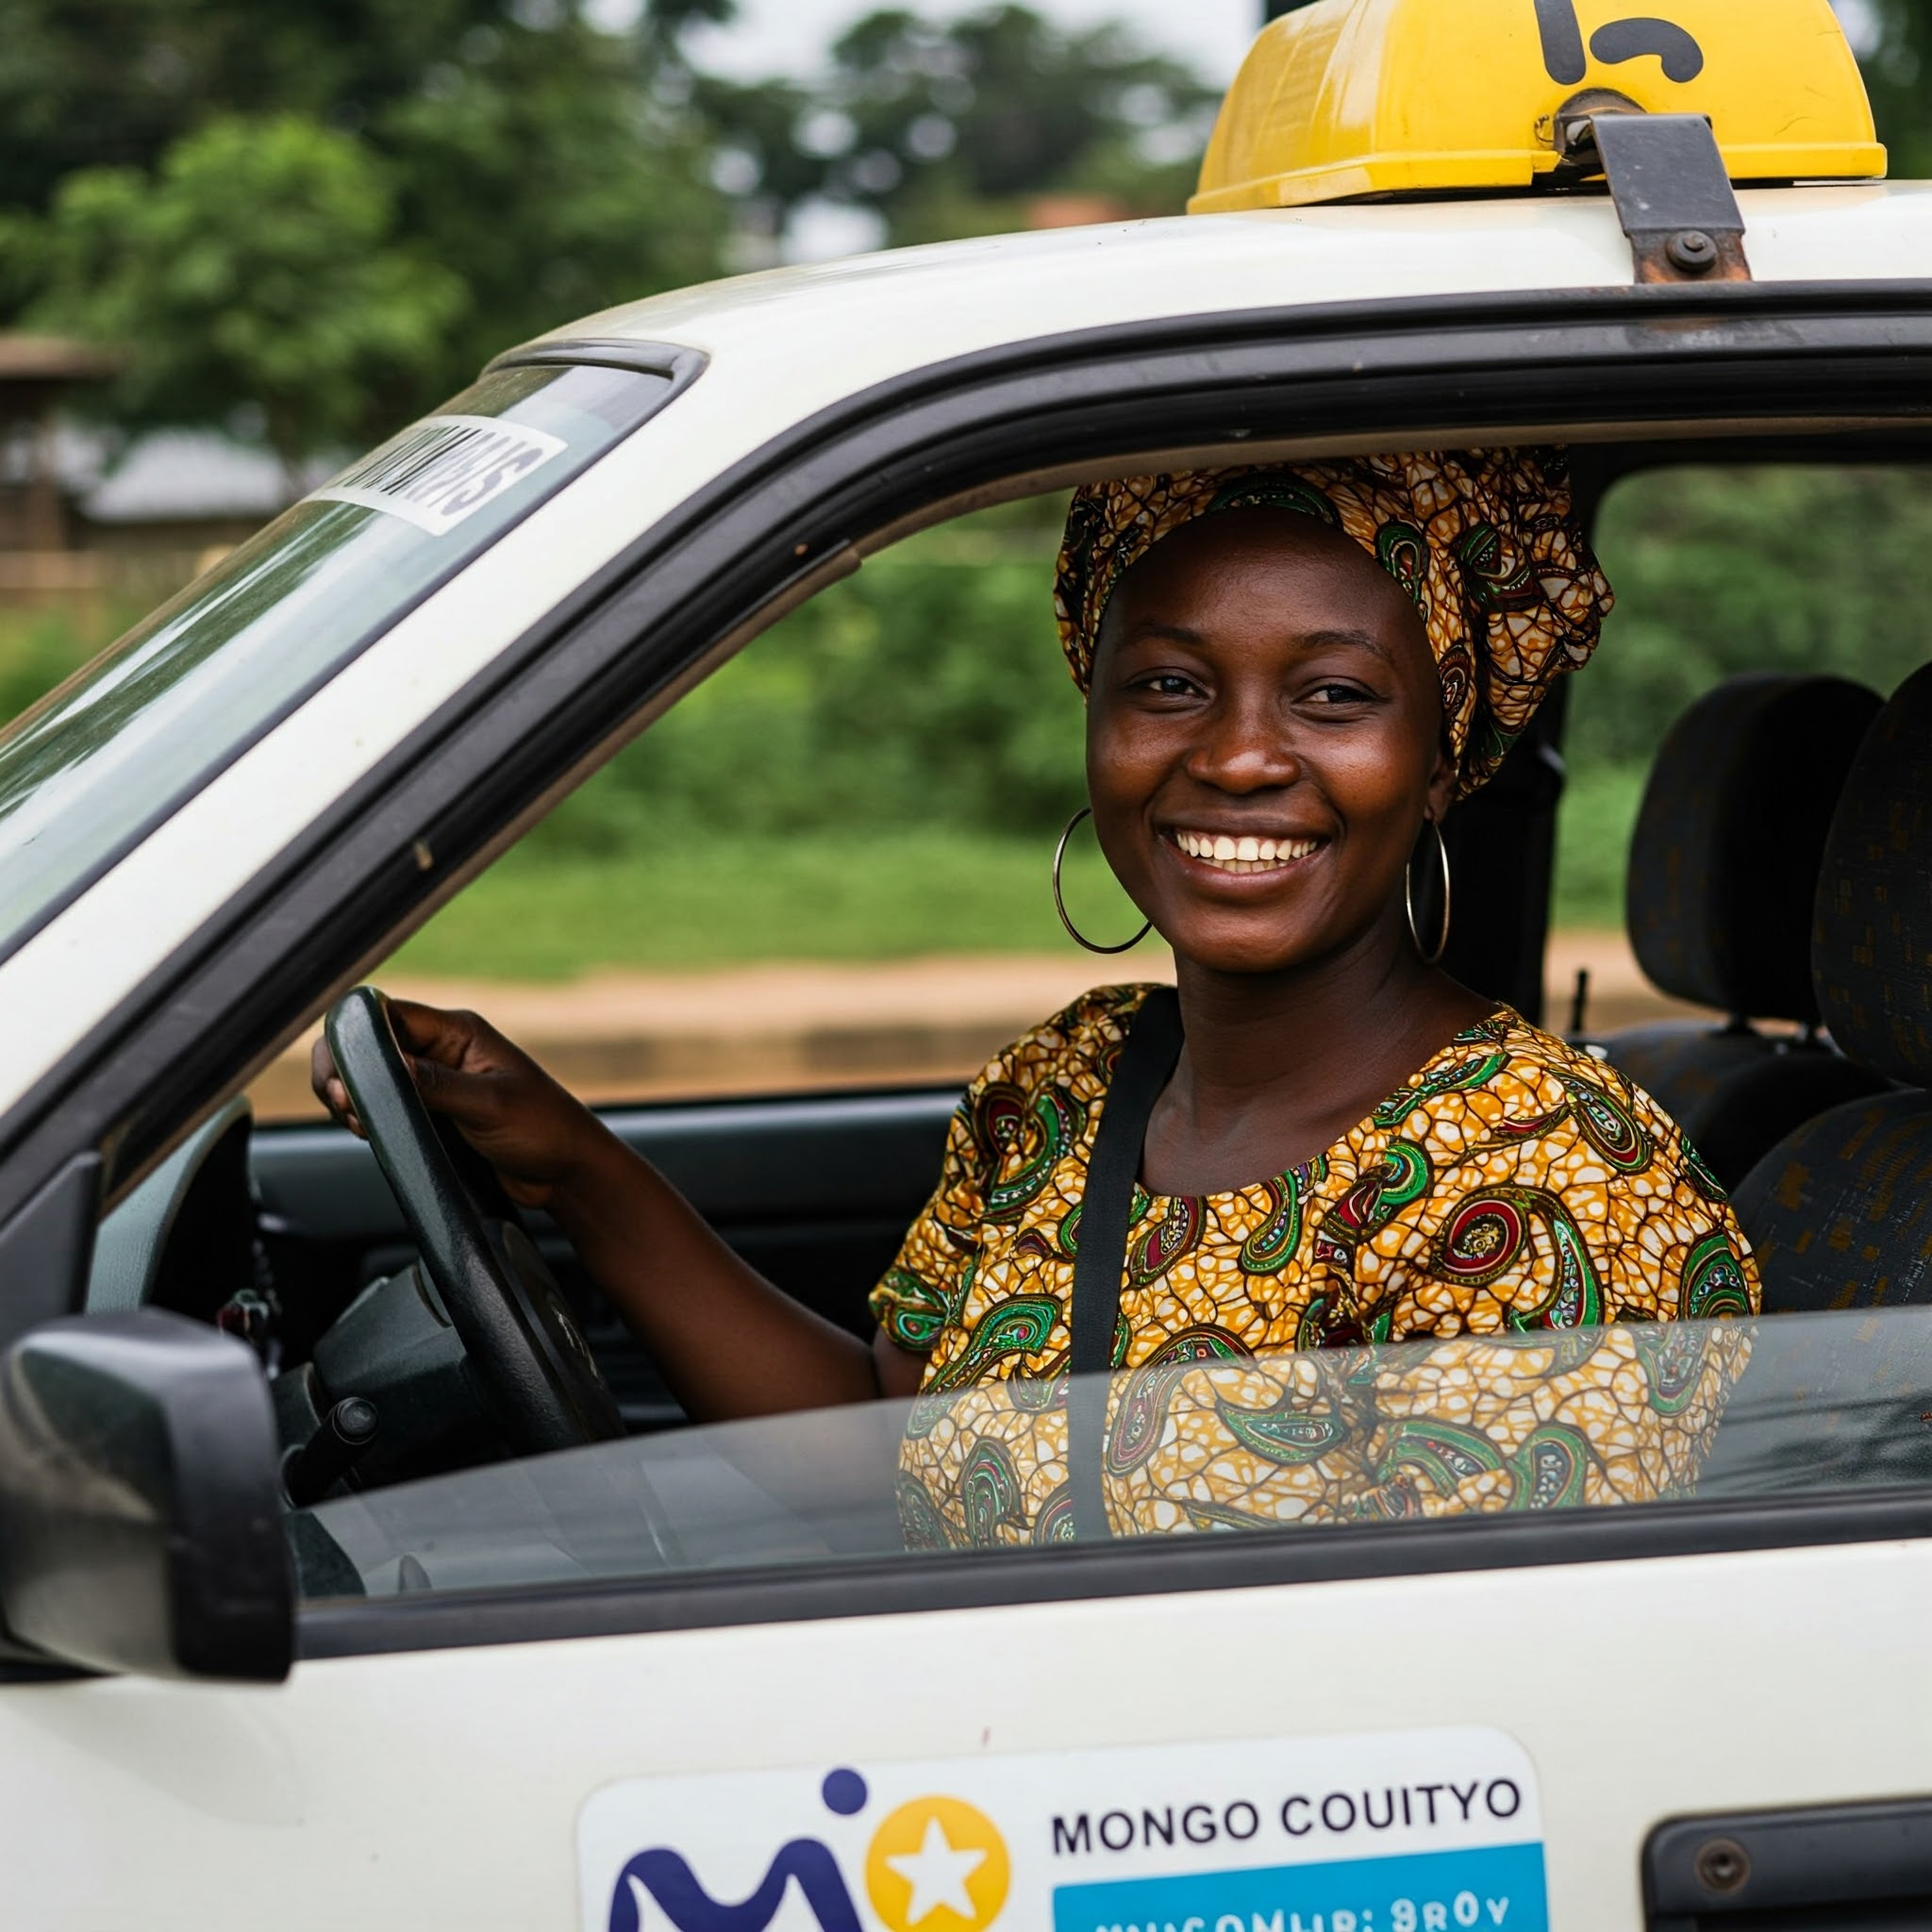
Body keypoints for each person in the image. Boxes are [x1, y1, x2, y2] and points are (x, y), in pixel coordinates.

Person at [316, 448, 1757, 1543]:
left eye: (1332, 696)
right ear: (1096, 724)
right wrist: (574, 1167)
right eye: (1171, 687)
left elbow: (1489, 1741)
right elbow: (891, 1452)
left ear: (1442, 762)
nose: (1240, 758)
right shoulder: (1065, 1086)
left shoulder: (1551, 1191)